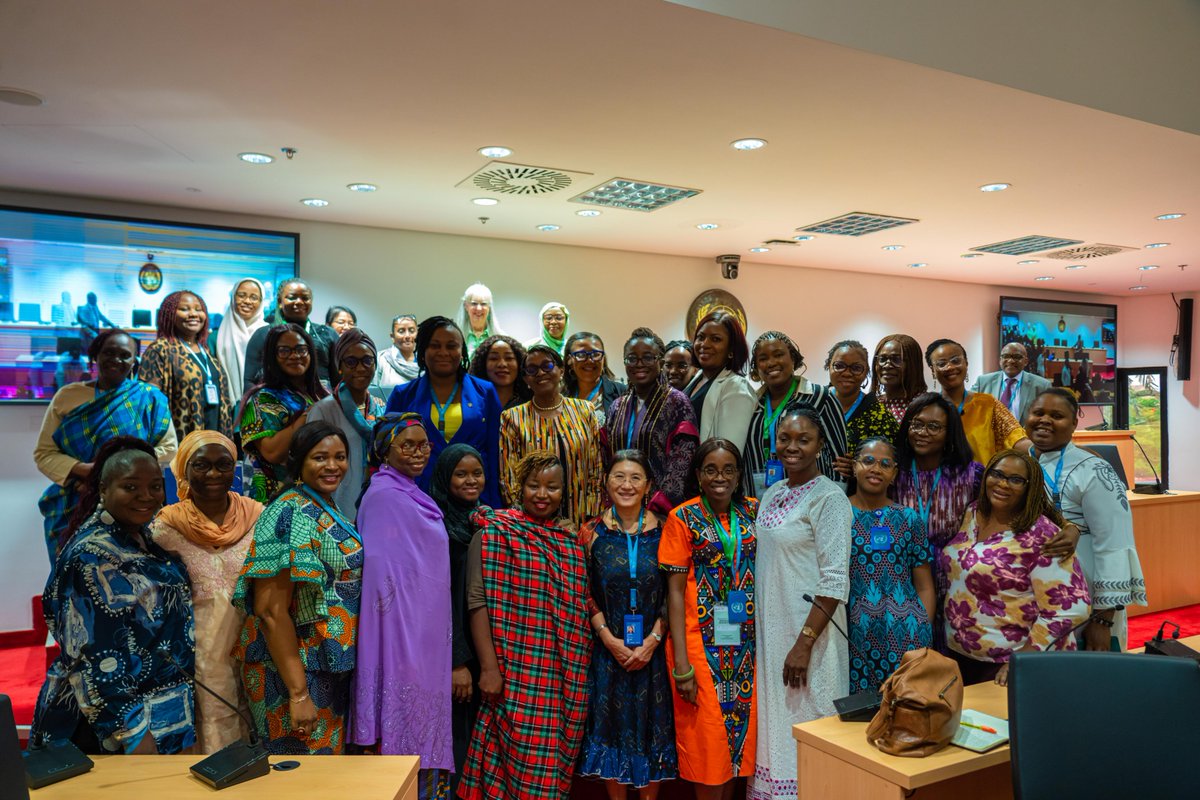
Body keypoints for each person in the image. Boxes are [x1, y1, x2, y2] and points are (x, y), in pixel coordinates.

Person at [30, 438, 195, 755]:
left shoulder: (139, 536)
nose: (146, 496)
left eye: (155, 486)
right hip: (112, 728)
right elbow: (96, 661)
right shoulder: (90, 557)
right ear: (103, 489)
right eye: (130, 487)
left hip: (162, 711)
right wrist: (133, 735)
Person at [458, 451, 591, 799]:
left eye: (552, 487)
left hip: (564, 677)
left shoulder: (570, 542)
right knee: (508, 766)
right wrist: (489, 667)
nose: (542, 495)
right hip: (512, 672)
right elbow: (477, 603)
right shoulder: (494, 532)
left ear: (565, 491)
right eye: (534, 486)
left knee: (553, 767)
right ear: (520, 488)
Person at [231, 421, 363, 754]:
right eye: (320, 457)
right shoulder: (288, 512)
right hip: (291, 670)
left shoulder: (323, 504)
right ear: (299, 461)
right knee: (298, 778)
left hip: (325, 664)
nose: (332, 466)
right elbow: (270, 611)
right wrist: (299, 693)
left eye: (340, 457)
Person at [749, 407, 853, 800]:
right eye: (785, 439)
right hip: (774, 633)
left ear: (821, 446)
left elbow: (834, 578)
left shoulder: (830, 498)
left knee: (811, 724)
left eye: (803, 439)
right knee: (778, 726)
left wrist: (805, 642)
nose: (792, 447)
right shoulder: (774, 492)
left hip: (811, 635)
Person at [352, 414, 452, 795]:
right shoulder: (383, 497)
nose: (418, 453)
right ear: (385, 451)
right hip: (398, 635)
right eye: (406, 445)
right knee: (403, 719)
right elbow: (381, 578)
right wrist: (398, 636)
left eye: (423, 445)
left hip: (426, 633)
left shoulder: (410, 492)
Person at [151, 430, 264, 753]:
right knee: (216, 729)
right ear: (183, 472)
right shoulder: (165, 528)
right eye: (201, 465)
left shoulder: (257, 516)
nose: (214, 474)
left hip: (257, 643)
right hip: (202, 650)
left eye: (223, 464)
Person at [942, 450, 1092, 685]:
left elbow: (1071, 608)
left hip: (1010, 663)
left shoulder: (1042, 535)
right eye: (997, 474)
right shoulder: (974, 512)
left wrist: (1024, 657)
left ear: (1030, 488)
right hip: (963, 655)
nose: (1003, 484)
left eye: (1015, 480)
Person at [660, 439, 757, 798]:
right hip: (698, 645)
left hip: (747, 647)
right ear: (699, 475)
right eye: (711, 470)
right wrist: (681, 665)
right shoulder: (681, 517)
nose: (720, 477)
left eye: (728, 469)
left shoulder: (752, 511)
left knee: (739, 747)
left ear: (738, 475)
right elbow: (673, 592)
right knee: (708, 746)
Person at [578, 451, 678, 797]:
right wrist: (608, 639)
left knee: (653, 731)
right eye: (619, 476)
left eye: (635, 477)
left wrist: (652, 640)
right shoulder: (590, 531)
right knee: (612, 732)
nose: (626, 485)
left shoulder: (666, 529)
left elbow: (674, 593)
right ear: (606, 483)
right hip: (609, 653)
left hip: (653, 652)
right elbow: (585, 591)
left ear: (648, 485)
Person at [35, 330, 176, 562]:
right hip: (75, 500)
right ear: (95, 356)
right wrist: (88, 471)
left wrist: (119, 471)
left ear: (134, 362)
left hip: (135, 501)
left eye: (124, 355)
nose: (116, 359)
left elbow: (169, 449)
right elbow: (44, 453)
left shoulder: (149, 397)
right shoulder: (67, 396)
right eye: (109, 353)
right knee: (74, 574)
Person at [1026, 388, 1146, 649]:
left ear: (1073, 424)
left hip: (1088, 596)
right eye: (1038, 413)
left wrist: (1103, 620)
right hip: (1034, 599)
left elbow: (1115, 544)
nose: (1045, 420)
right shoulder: (1019, 464)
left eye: (1057, 415)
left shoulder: (1093, 468)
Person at [889, 393, 984, 653]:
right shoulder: (892, 473)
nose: (923, 432)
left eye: (934, 427)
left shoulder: (971, 474)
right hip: (901, 579)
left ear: (949, 432)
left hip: (955, 582)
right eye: (917, 424)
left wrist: (1069, 529)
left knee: (950, 658)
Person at [844, 438, 934, 692]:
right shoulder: (837, 512)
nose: (876, 469)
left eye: (885, 464)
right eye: (868, 461)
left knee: (905, 706)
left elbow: (925, 586)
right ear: (854, 467)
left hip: (906, 632)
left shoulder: (909, 518)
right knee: (857, 715)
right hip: (854, 632)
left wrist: (923, 634)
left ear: (894, 474)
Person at [385, 316, 503, 507]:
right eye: (435, 345)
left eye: (451, 346)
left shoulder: (485, 392)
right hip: (418, 496)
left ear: (462, 351)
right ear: (423, 351)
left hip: (474, 498)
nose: (443, 352)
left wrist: (495, 504)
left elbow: (495, 451)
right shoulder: (403, 395)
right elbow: (387, 453)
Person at [429, 444, 487, 794]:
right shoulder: (436, 527)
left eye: (476, 473)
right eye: (461, 474)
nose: (470, 481)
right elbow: (442, 601)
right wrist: (457, 662)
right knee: (457, 739)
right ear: (445, 478)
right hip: (455, 652)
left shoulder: (486, 519)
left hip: (486, 653)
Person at [500, 344, 603, 527]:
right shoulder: (512, 418)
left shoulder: (585, 410)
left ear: (561, 370)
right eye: (532, 369)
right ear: (525, 379)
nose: (540, 373)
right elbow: (510, 479)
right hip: (533, 526)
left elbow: (596, 468)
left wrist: (590, 519)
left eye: (547, 366)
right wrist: (529, 522)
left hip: (581, 519)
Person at [604, 327, 699, 516]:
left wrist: (660, 505)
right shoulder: (617, 406)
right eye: (632, 358)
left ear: (660, 362)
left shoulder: (676, 402)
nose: (639, 364)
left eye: (648, 358)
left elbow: (682, 460)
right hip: (619, 506)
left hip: (660, 512)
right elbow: (607, 456)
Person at [741, 331, 846, 499]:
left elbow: (839, 463)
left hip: (810, 501)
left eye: (778, 355)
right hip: (758, 502)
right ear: (756, 367)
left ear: (793, 358)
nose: (771, 363)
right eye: (763, 358)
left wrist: (832, 504)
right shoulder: (751, 403)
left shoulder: (821, 397)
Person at [238, 324, 329, 503]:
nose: (295, 356)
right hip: (275, 497)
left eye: (301, 349)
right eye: (284, 351)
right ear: (273, 357)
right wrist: (308, 415)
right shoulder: (263, 398)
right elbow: (273, 453)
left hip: (314, 492)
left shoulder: (321, 393)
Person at [305, 328, 386, 515]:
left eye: (367, 360)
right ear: (339, 366)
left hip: (376, 505)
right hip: (335, 505)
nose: (360, 368)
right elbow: (312, 466)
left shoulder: (381, 409)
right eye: (351, 362)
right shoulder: (324, 410)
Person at [140, 290, 235, 440]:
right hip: (181, 437)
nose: (193, 314)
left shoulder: (205, 350)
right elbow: (149, 404)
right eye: (184, 309)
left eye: (198, 309)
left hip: (214, 434)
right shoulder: (160, 350)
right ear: (169, 314)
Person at [925, 338, 1032, 464]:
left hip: (980, 481)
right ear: (933, 370)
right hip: (939, 482)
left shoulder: (988, 404)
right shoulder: (928, 408)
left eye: (956, 361)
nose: (950, 367)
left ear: (966, 363)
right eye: (942, 364)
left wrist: (1046, 449)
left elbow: (1016, 438)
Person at [684, 310, 757, 457]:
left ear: (731, 350)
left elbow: (728, 453)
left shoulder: (737, 388)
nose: (705, 344)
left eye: (715, 339)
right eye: (701, 337)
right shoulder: (697, 377)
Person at [243, 278, 339, 389]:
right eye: (292, 297)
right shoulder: (263, 335)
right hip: (274, 404)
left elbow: (338, 380)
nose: (299, 302)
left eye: (305, 298)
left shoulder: (328, 335)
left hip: (322, 403)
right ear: (280, 302)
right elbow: (249, 381)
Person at [826, 340, 899, 482]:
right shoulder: (815, 405)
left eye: (856, 368)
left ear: (866, 372)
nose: (847, 373)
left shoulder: (881, 417)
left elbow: (890, 466)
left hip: (857, 496)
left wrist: (857, 467)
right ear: (828, 367)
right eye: (839, 366)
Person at [970, 342, 1051, 424]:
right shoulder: (983, 381)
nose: (1011, 361)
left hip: (1024, 435)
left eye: (1017, 357)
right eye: (1006, 356)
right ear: (1000, 360)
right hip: (990, 435)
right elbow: (967, 406)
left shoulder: (1042, 386)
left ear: (1026, 361)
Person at [215, 278, 267, 401]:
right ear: (233, 298)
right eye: (241, 296)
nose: (247, 301)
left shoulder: (269, 333)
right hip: (225, 403)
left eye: (254, 297)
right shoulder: (216, 337)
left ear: (261, 302)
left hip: (262, 403)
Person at [565, 330, 627, 427]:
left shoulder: (622, 393)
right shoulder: (560, 395)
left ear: (603, 358)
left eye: (596, 354)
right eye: (581, 355)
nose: (589, 360)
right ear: (569, 360)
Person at [870, 334, 927, 423]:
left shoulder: (925, 406)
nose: (887, 365)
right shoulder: (873, 404)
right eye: (882, 359)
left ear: (913, 364)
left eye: (896, 359)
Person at [469, 333, 530, 410]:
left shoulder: (532, 405)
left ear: (520, 363)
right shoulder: (471, 405)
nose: (502, 364)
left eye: (509, 358)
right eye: (494, 358)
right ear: (483, 364)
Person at [455, 282, 503, 357]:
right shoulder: (455, 337)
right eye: (474, 304)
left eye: (483, 304)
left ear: (489, 307)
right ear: (466, 306)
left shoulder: (501, 338)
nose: (479, 308)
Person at [374, 314, 419, 390]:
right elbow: (373, 391)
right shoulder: (380, 359)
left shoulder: (426, 360)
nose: (407, 336)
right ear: (392, 337)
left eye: (411, 331)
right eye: (401, 331)